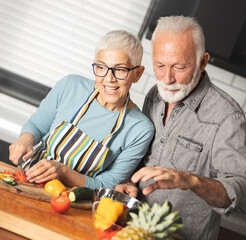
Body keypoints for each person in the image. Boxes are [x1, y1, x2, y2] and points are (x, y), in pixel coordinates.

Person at [115, 16, 246, 239]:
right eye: (160, 65)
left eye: (179, 67)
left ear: (202, 62)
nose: (168, 78)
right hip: (132, 229)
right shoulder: (155, 94)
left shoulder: (227, 115)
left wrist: (191, 180)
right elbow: (143, 157)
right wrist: (127, 183)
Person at [9, 30, 154, 189]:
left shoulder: (139, 129)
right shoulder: (70, 86)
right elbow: (36, 125)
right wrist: (25, 140)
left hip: (72, 205)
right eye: (101, 67)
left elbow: (106, 184)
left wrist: (62, 171)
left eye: (120, 70)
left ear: (137, 74)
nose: (109, 79)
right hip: (26, 183)